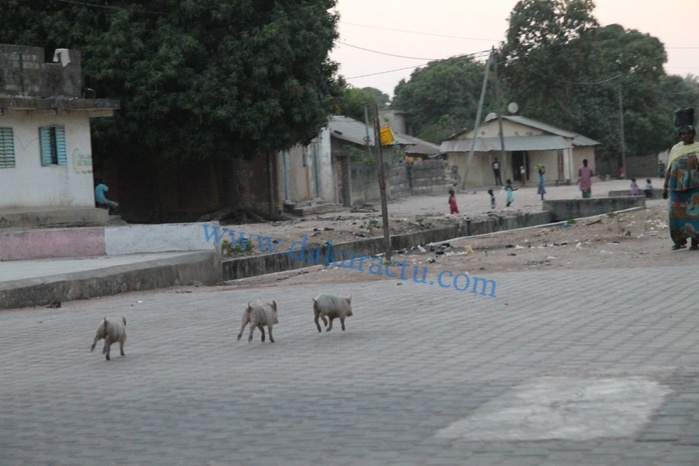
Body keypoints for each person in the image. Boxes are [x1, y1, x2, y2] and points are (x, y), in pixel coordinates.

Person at [663, 107, 699, 250]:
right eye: (683, 133)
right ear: (680, 135)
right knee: (675, 215)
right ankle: (679, 241)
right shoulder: (675, 149)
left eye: (689, 133)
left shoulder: (698, 148)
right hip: (676, 188)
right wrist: (665, 187)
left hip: (695, 189)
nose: (686, 136)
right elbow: (670, 168)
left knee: (696, 215)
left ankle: (695, 241)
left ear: (693, 133)